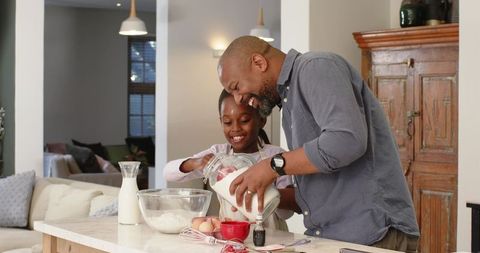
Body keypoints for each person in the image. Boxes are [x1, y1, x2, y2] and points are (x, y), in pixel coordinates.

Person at [216, 36, 420, 252]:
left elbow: (346, 140)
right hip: (335, 236)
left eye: (237, 87)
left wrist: (271, 166)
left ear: (259, 63)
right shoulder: (289, 102)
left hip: (373, 233)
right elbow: (322, 179)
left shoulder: (315, 67)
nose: (238, 99)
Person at [163, 89, 297, 231]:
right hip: (233, 239)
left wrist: (265, 193)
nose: (235, 128)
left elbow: (286, 214)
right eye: (227, 122)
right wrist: (195, 163)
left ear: (261, 120)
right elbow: (167, 173)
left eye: (244, 120)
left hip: (272, 239)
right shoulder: (219, 154)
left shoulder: (276, 156)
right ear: (221, 122)